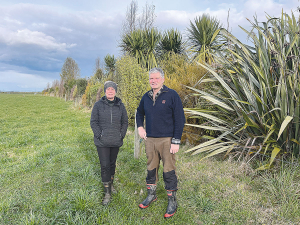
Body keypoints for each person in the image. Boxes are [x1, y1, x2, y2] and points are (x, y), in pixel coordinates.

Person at [136, 67, 185, 218]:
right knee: (151, 167)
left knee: (168, 169)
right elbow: (139, 112)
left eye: (157, 78)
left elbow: (180, 119)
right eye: (151, 78)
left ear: (163, 79)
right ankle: (152, 194)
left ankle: (172, 200)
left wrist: (176, 141)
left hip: (167, 140)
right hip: (149, 139)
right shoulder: (146, 96)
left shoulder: (172, 95)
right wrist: (140, 127)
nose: (154, 81)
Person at [90, 81, 128, 205]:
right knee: (105, 165)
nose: (110, 91)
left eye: (112, 89)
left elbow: (125, 122)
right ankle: (107, 193)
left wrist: (121, 135)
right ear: (105, 91)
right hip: (102, 142)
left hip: (115, 141)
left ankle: (111, 186)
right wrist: (99, 134)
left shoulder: (120, 105)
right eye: (108, 89)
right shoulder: (98, 105)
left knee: (112, 164)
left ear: (115, 91)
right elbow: (93, 122)